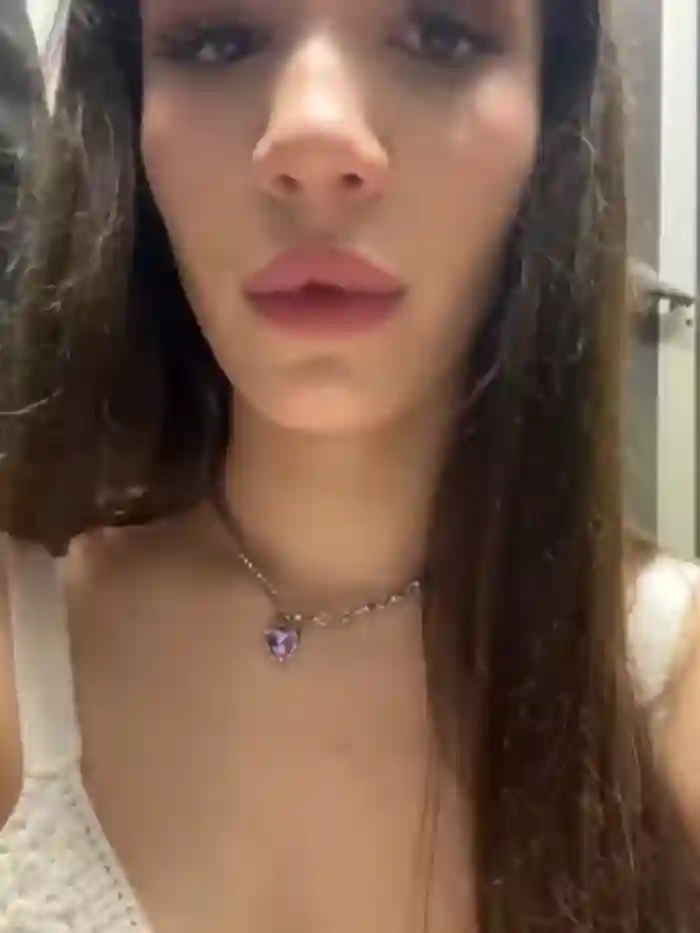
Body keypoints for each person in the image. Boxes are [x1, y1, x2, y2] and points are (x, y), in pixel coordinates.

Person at [0, 0, 699, 930]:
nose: (314, 135)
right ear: (130, 111)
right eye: (216, 39)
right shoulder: (20, 651)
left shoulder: (676, 697)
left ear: (551, 112)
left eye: (443, 33)